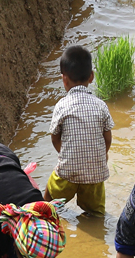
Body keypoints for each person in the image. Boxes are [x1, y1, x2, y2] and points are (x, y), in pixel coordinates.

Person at [43, 44, 113, 217]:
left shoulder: (62, 105)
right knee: (96, 214)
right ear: (91, 77)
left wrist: (65, 153)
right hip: (95, 175)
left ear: (64, 79)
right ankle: (95, 233)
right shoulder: (101, 105)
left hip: (67, 173)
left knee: (50, 198)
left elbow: (54, 137)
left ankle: (43, 214)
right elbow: (107, 137)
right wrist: (101, 154)